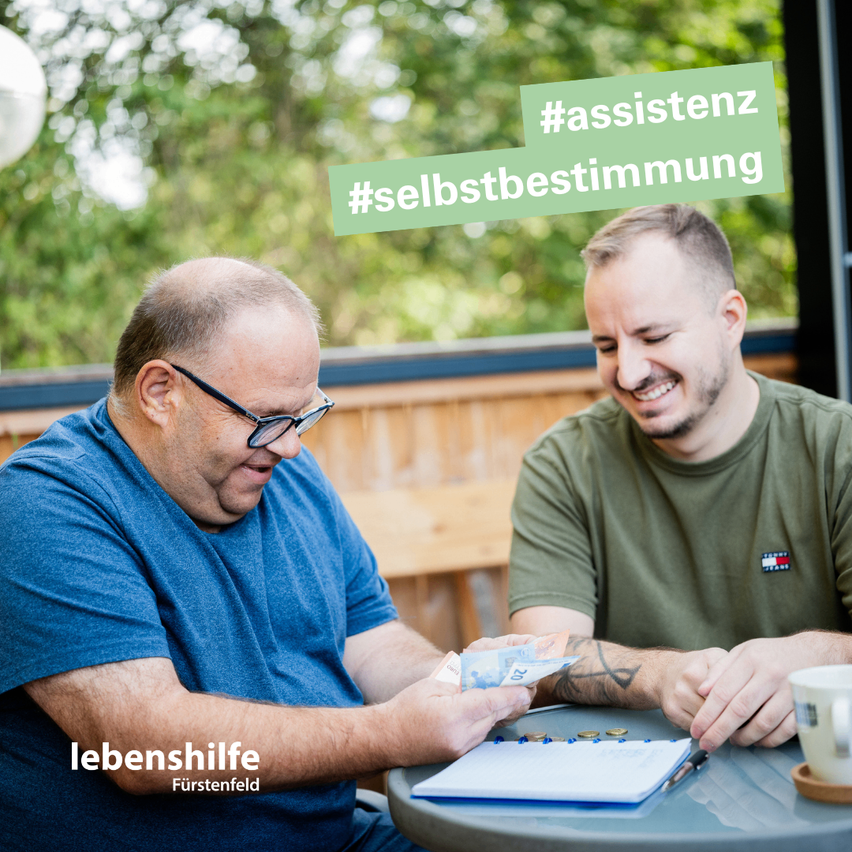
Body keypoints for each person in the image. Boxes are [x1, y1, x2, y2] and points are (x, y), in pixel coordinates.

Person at [0, 257, 533, 852]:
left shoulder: (282, 475)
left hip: (335, 834)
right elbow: (140, 747)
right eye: (267, 419)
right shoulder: (46, 502)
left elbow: (372, 644)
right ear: (159, 392)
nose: (290, 447)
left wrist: (459, 684)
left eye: (302, 415)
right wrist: (391, 734)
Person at [508, 204, 852, 754]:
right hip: (635, 797)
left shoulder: (838, 445)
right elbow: (535, 657)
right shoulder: (564, 462)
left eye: (655, 335)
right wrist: (660, 675)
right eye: (607, 346)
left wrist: (815, 655)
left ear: (731, 319)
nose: (629, 371)